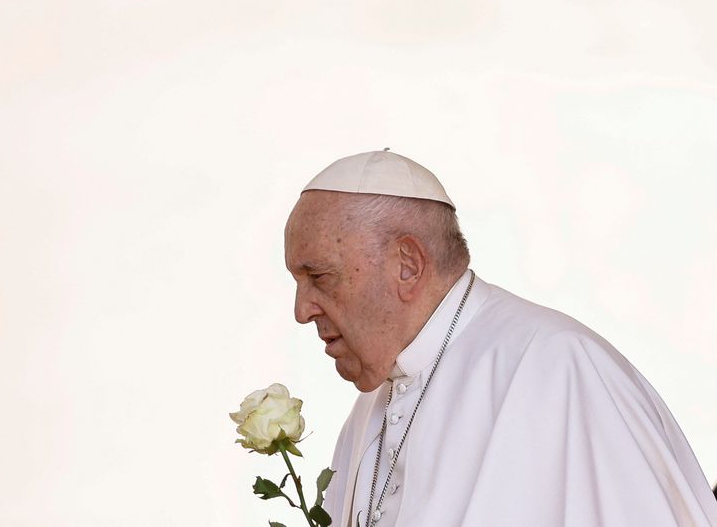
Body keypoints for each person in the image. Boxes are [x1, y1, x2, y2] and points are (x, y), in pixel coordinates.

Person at [283, 149, 717, 527]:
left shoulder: (559, 369)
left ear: (408, 264)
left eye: (320, 277)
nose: (302, 310)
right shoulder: (370, 412)